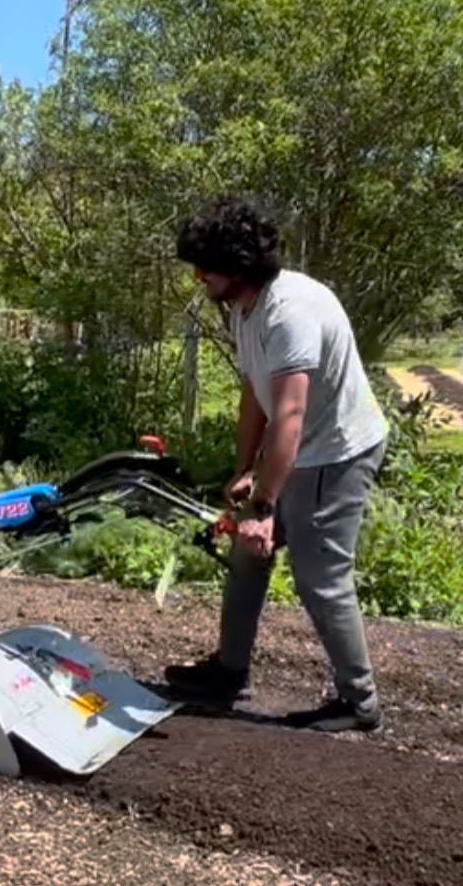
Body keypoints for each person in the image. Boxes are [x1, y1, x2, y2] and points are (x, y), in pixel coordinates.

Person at [165, 197, 389, 733]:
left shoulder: (290, 311)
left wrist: (266, 507)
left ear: (237, 266)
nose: (198, 277)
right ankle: (229, 673)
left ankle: (359, 704)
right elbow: (255, 394)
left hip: (334, 453)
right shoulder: (246, 309)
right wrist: (245, 469)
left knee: (322, 578)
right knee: (247, 559)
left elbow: (289, 414)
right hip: (297, 448)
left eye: (206, 267)